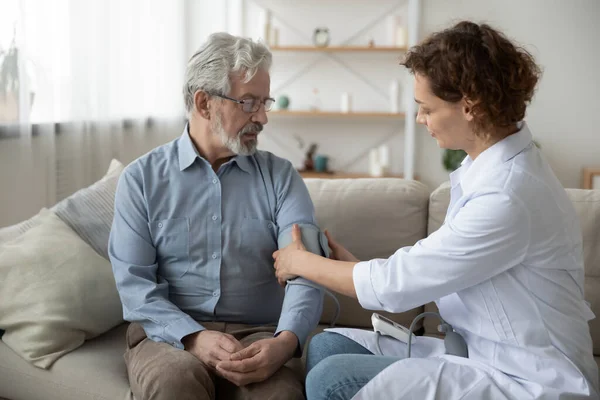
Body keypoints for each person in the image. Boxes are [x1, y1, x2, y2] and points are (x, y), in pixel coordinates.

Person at [273, 21, 599, 400]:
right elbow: (435, 269)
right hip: (480, 355)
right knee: (326, 346)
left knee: (333, 379)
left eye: (426, 108)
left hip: (531, 379)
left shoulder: (508, 196)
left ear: (469, 105)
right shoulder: (489, 170)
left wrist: (298, 262)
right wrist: (351, 267)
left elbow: (396, 284)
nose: (419, 119)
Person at [109, 32, 327, 400]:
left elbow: (307, 269)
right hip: (169, 336)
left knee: (280, 396)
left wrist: (286, 341)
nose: (262, 117)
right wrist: (192, 336)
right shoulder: (141, 180)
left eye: (265, 102)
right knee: (173, 383)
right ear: (204, 103)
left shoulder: (281, 178)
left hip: (260, 334)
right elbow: (134, 285)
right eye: (248, 102)